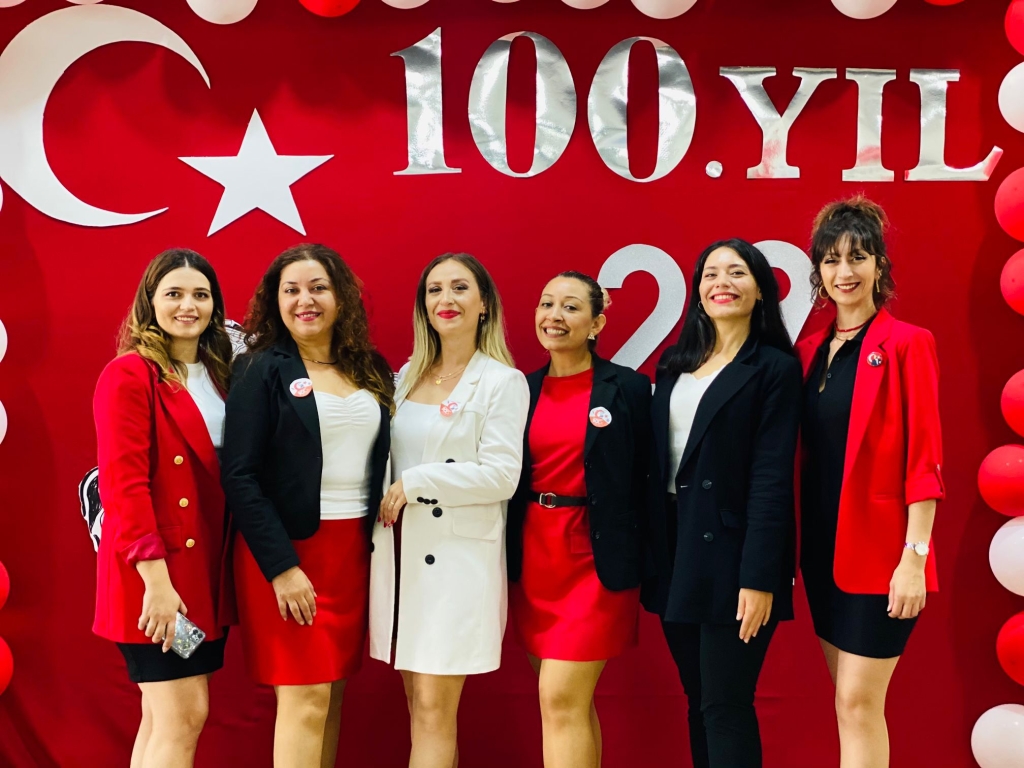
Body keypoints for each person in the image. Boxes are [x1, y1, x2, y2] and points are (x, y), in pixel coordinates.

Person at [221, 244, 393, 768]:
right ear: (275, 301)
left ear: (341, 297)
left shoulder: (371, 367)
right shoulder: (258, 369)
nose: (305, 300)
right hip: (288, 554)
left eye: (318, 288)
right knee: (306, 698)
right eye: (291, 290)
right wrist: (282, 568)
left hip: (352, 554)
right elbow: (240, 475)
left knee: (332, 693)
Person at [642, 239, 802, 768]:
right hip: (675, 548)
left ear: (760, 291)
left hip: (734, 556)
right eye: (710, 274)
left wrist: (758, 577)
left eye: (737, 273)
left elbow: (771, 479)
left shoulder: (774, 368)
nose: (721, 283)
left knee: (725, 704)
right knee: (698, 700)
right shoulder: (674, 365)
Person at [797, 197, 942, 768]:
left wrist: (914, 558)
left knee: (858, 704)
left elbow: (925, 459)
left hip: (883, 556)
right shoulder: (808, 352)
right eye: (832, 260)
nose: (845, 272)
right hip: (822, 554)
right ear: (819, 271)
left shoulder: (908, 343)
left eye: (858, 257)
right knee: (847, 702)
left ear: (879, 265)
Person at [372, 253, 529, 768]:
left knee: (434, 709)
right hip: (400, 561)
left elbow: (502, 476)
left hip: (457, 564)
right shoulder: (405, 376)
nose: (446, 299)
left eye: (460, 288)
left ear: (484, 304)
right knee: (418, 704)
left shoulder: (502, 381)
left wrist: (418, 482)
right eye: (434, 289)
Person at [93, 248, 234, 768]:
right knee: (183, 716)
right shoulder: (129, 374)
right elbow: (124, 487)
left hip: (203, 571)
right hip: (156, 575)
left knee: (160, 719)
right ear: (150, 302)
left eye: (200, 295)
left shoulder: (220, 373)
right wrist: (157, 584)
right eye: (174, 294)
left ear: (215, 306)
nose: (187, 306)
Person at [507, 271, 651, 768]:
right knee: (569, 705)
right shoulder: (519, 389)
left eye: (570, 307)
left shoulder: (628, 388)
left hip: (596, 560)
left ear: (596, 323)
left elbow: (647, 478)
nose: (555, 316)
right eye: (547, 304)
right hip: (534, 559)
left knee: (560, 698)